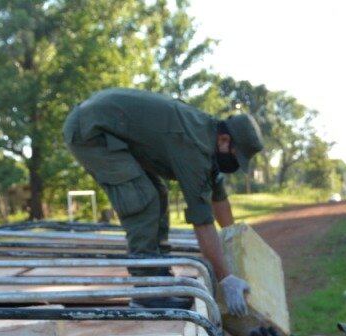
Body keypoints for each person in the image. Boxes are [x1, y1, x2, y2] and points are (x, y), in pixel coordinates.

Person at [63, 88, 263, 311]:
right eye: (237, 156)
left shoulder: (208, 136)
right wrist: (226, 279)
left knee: (158, 192)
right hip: (90, 130)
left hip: (109, 126)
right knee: (143, 199)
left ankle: (158, 274)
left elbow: (219, 197)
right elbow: (202, 221)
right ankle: (147, 290)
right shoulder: (195, 147)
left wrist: (235, 242)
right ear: (225, 140)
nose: (235, 164)